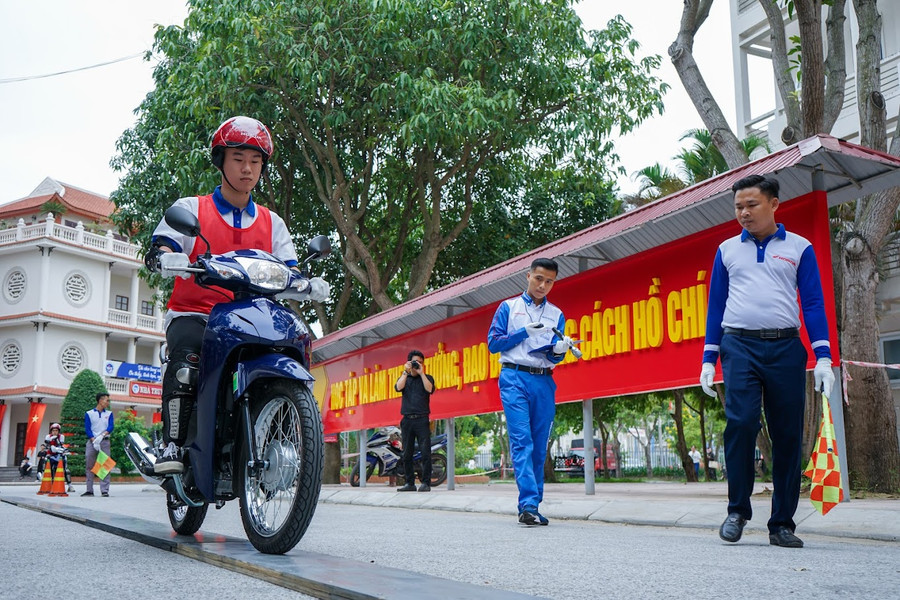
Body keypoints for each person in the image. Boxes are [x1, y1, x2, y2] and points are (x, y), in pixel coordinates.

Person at [144, 116, 329, 474]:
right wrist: (169, 257)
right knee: (187, 362)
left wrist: (308, 282)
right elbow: (161, 246)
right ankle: (173, 444)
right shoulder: (193, 208)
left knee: (291, 344)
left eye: (255, 162)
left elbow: (291, 269)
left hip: (254, 319)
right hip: (196, 313)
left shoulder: (272, 222)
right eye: (238, 159)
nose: (247, 169)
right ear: (221, 161)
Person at [699, 174, 835, 549]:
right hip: (738, 345)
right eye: (738, 206)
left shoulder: (799, 247)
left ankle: (782, 524)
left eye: (751, 205)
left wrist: (823, 356)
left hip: (786, 349)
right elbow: (716, 306)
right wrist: (709, 358)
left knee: (788, 435)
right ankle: (738, 511)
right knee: (740, 423)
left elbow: (811, 303)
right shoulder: (727, 250)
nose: (743, 213)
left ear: (774, 204)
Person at [487, 257, 574, 526]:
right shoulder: (508, 308)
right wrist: (522, 333)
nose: (543, 285)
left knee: (538, 447)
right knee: (522, 441)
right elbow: (493, 343)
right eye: (538, 278)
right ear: (528, 276)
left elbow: (553, 354)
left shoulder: (556, 314)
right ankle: (527, 504)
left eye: (549, 281)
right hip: (514, 376)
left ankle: (533, 506)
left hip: (544, 381)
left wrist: (559, 351)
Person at [395, 350, 436, 492]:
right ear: (409, 362)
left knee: (425, 453)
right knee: (406, 453)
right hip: (407, 420)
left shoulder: (427, 377)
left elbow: (429, 389)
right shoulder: (405, 378)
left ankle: (426, 483)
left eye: (420, 362)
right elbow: (398, 387)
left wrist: (421, 373)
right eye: (415, 361)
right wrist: (406, 372)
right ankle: (409, 483)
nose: (417, 364)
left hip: (422, 420)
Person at [84, 392, 114, 497]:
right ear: (100, 401)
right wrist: (94, 440)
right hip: (92, 442)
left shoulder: (109, 414)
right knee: (89, 465)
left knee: (104, 465)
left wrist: (102, 435)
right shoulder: (89, 413)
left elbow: (111, 427)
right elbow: (87, 428)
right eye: (107, 400)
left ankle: (104, 490)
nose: (108, 402)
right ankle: (89, 490)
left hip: (104, 441)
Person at [44, 422, 74, 492]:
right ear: (51, 431)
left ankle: (70, 485)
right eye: (53, 430)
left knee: (66, 469)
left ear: (58, 431)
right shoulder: (48, 436)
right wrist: (51, 443)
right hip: (50, 454)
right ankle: (48, 483)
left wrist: (65, 449)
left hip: (59, 454)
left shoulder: (61, 436)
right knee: (47, 464)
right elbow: (47, 445)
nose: (55, 432)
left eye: (56, 430)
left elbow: (61, 445)